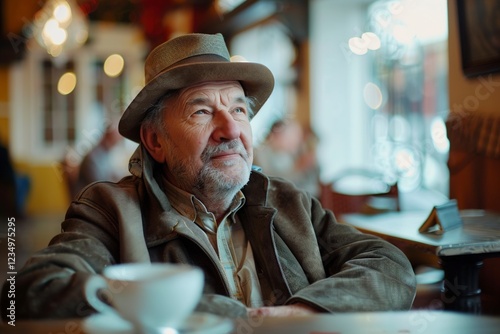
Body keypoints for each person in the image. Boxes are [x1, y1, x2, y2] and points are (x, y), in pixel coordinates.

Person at [1, 33, 416, 320]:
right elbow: (30, 294)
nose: (231, 129)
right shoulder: (110, 211)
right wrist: (235, 319)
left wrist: (301, 313)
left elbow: (389, 266)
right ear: (155, 141)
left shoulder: (289, 204)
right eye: (202, 111)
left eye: (238, 110)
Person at [254, 119, 320, 197]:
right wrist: (298, 168)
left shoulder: (288, 155)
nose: (297, 141)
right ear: (278, 133)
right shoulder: (260, 154)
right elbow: (271, 182)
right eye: (293, 136)